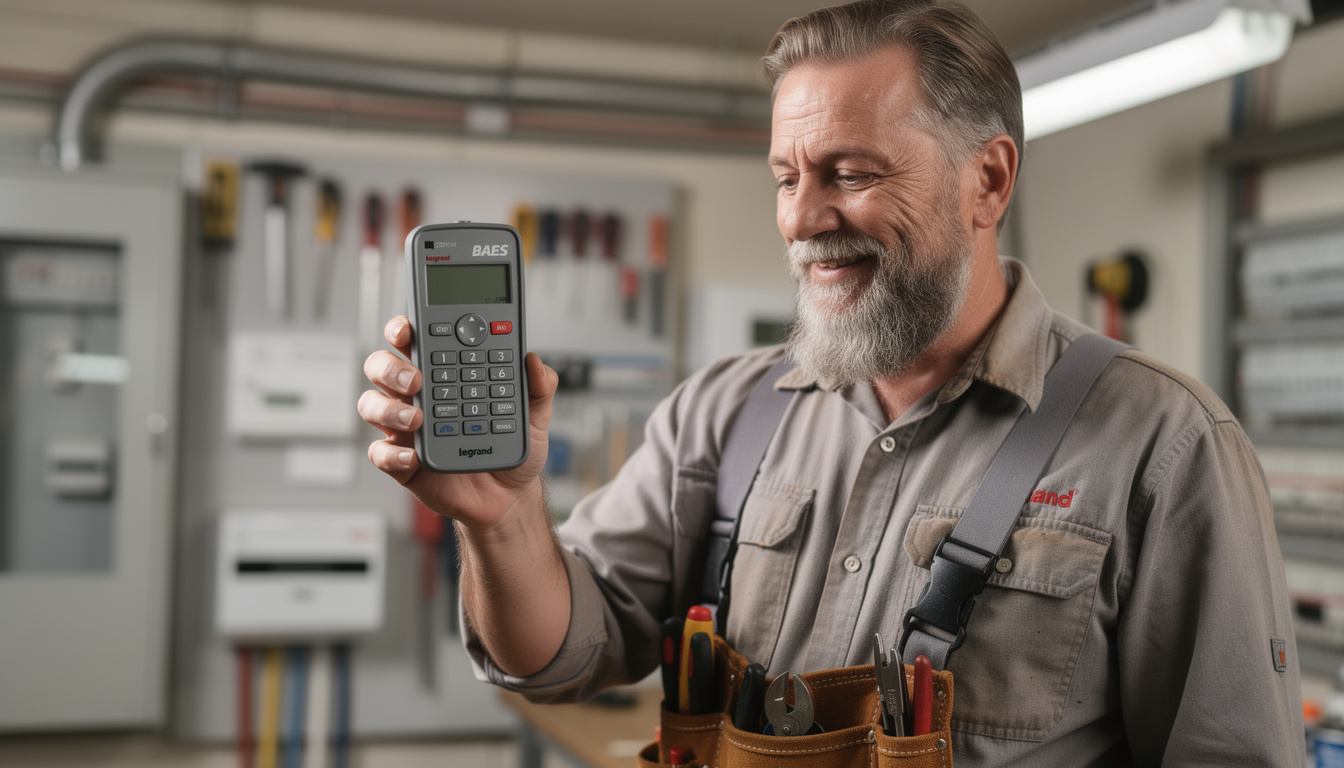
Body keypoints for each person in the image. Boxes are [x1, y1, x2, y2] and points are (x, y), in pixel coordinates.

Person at [358, 1, 1304, 764]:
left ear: (988, 180)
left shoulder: (1165, 445)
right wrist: (499, 515)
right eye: (785, 177)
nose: (804, 218)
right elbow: (560, 658)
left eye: (848, 172)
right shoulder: (721, 415)